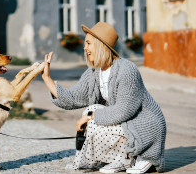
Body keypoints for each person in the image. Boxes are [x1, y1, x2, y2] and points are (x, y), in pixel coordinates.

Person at [41, 22, 166, 173]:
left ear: (101, 45)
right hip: (126, 123)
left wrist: (89, 117)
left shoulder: (127, 70)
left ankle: (144, 156)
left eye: (88, 43)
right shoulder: (94, 72)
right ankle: (124, 159)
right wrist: (47, 78)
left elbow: (123, 111)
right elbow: (73, 97)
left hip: (145, 126)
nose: (85, 48)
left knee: (92, 114)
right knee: (91, 110)